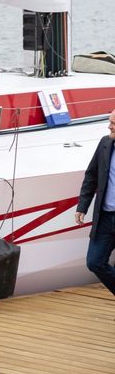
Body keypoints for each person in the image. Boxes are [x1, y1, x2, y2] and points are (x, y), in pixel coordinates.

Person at [76, 110, 115, 296]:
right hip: (105, 218)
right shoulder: (105, 143)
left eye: (113, 123)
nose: (109, 126)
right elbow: (91, 175)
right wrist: (82, 206)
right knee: (94, 262)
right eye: (110, 121)